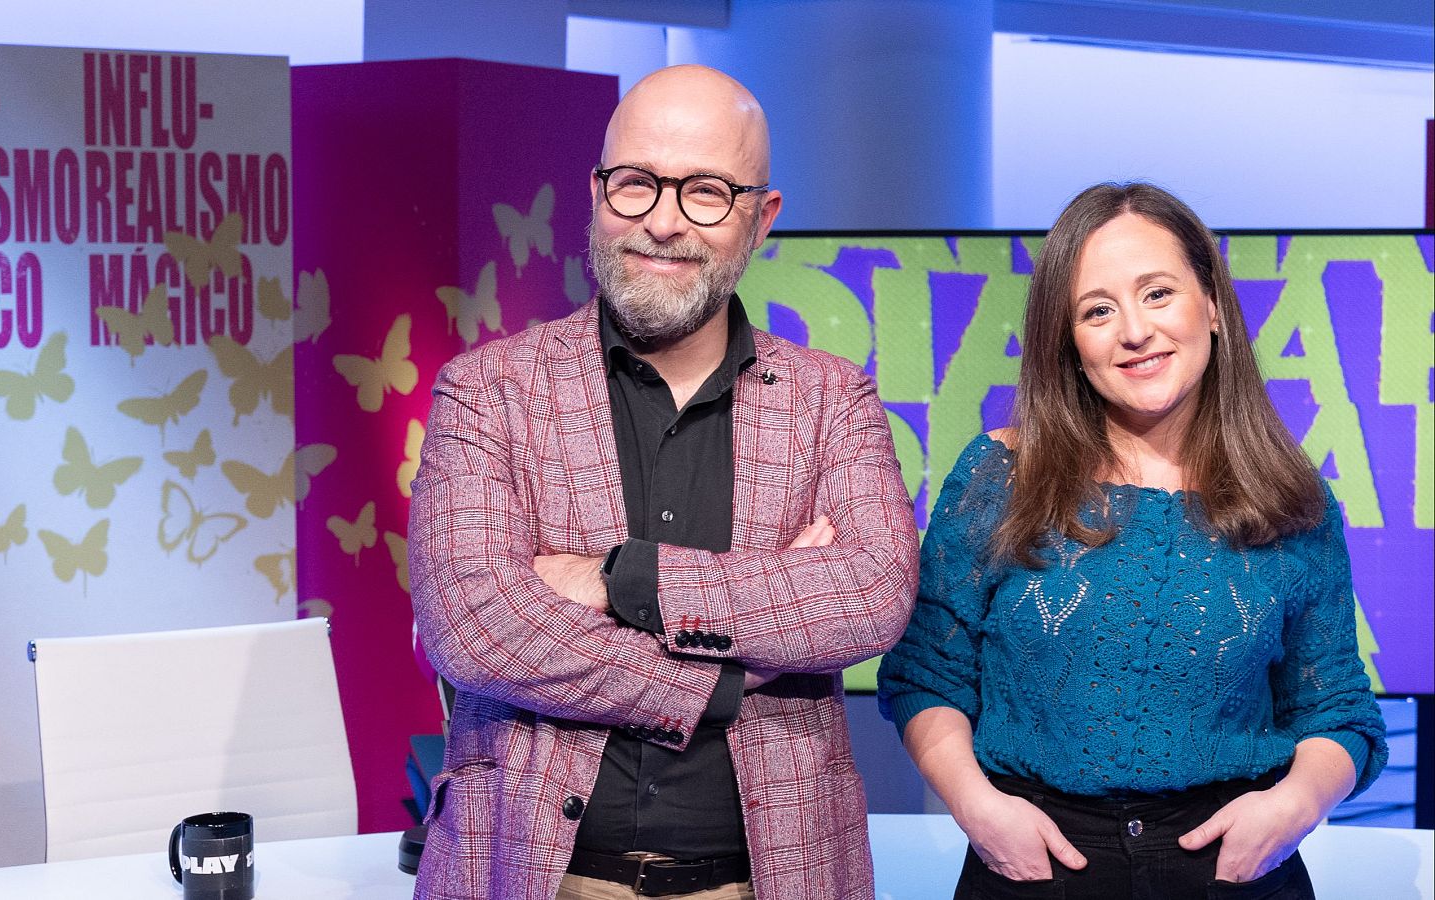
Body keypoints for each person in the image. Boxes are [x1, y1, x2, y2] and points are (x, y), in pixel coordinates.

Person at [409, 65, 919, 900]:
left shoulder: (833, 398)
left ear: (762, 217)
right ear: (596, 190)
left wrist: (620, 578)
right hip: (537, 875)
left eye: (707, 192)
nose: (662, 222)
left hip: (771, 881)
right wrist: (731, 670)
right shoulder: (487, 391)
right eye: (637, 184)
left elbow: (868, 595)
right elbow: (474, 625)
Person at [876, 182, 1387, 899]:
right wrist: (978, 808)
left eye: (1157, 294)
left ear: (1211, 305)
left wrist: (1294, 808)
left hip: (1232, 870)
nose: (1134, 332)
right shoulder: (999, 477)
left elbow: (1337, 709)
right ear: (1068, 339)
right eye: (1097, 310)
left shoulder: (1291, 499)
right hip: (1035, 867)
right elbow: (926, 676)